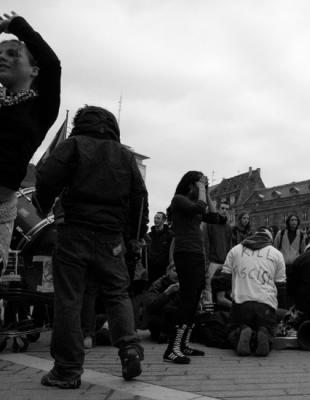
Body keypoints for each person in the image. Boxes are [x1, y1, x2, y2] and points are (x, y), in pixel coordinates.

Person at [33, 106, 149, 388]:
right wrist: (134, 236)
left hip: (74, 231)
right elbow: (140, 198)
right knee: (117, 294)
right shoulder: (124, 155)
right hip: (112, 238)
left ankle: (67, 370)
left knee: (70, 299)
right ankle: (130, 348)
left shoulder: (74, 145)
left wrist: (43, 204)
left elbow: (46, 175)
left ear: (80, 124)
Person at [0, 11, 61, 272]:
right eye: (0, 53)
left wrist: (16, 26)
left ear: (34, 70)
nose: (2, 57)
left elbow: (52, 64)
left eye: (13, 54)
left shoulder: (39, 109)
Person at [163, 171, 223, 364]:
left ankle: (183, 344)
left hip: (197, 253)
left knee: (196, 295)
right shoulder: (179, 200)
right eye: (198, 184)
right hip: (185, 252)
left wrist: (208, 192)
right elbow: (200, 206)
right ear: (190, 184)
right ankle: (173, 348)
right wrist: (202, 189)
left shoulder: (196, 206)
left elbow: (214, 217)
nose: (200, 189)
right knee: (187, 298)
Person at [222, 227, 286, 357]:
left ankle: (242, 332)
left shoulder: (235, 250)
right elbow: (281, 285)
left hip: (241, 304)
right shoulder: (276, 253)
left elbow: (224, 277)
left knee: (231, 329)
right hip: (265, 305)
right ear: (270, 240)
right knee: (269, 328)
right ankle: (264, 333)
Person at [203, 201, 232, 305]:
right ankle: (208, 310)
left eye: (227, 209)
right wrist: (206, 261)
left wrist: (229, 262)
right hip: (212, 261)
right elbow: (206, 243)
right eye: (222, 208)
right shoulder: (210, 224)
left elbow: (229, 246)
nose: (224, 211)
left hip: (224, 262)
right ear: (218, 209)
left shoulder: (228, 227)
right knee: (208, 288)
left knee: (223, 289)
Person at [146, 211, 174, 285]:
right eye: (155, 218)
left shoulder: (170, 235)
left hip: (163, 268)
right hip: (150, 267)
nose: (155, 220)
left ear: (164, 220)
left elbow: (171, 251)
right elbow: (145, 250)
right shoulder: (149, 235)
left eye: (158, 218)